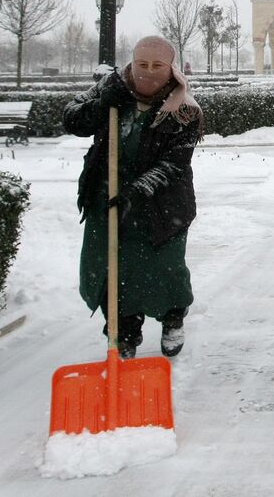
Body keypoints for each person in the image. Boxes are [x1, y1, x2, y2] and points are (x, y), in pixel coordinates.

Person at [63, 35, 203, 359]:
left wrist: (135, 192)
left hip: (162, 208)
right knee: (113, 270)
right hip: (106, 199)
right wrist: (101, 103)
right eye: (142, 64)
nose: (148, 72)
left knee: (164, 269)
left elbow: (174, 164)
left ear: (172, 70)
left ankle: (172, 319)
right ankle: (124, 331)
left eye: (158, 66)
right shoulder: (113, 87)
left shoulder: (184, 110)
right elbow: (72, 118)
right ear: (132, 63)